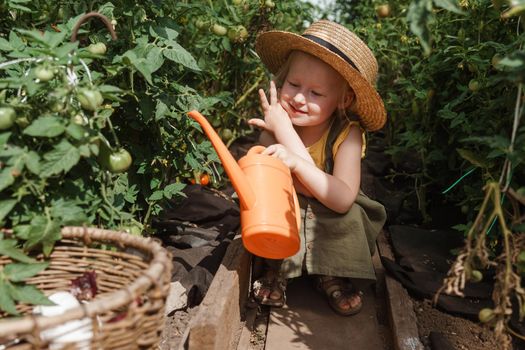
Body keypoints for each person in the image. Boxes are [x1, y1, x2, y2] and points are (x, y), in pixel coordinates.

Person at [248, 20, 387, 316]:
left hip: (331, 213)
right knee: (276, 211)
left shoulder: (348, 134)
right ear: (282, 81)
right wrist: (276, 136)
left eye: (316, 93)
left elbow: (340, 198)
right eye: (294, 85)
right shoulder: (272, 128)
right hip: (293, 209)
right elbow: (264, 186)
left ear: (343, 99)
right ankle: (278, 270)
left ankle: (331, 271)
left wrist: (288, 141)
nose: (299, 98)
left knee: (348, 217)